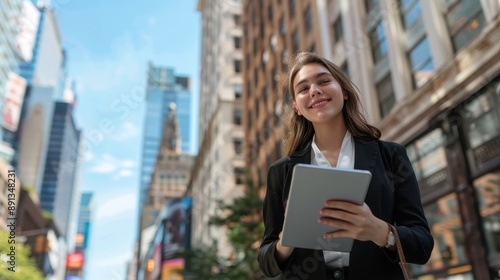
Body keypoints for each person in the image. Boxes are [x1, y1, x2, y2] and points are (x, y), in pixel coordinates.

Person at [258, 52, 434, 280]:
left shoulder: (391, 156)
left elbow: (422, 245)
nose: (314, 90)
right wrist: (286, 242)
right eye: (303, 89)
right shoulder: (280, 173)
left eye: (323, 81)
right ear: (297, 107)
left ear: (345, 92)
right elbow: (266, 262)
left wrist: (380, 232)